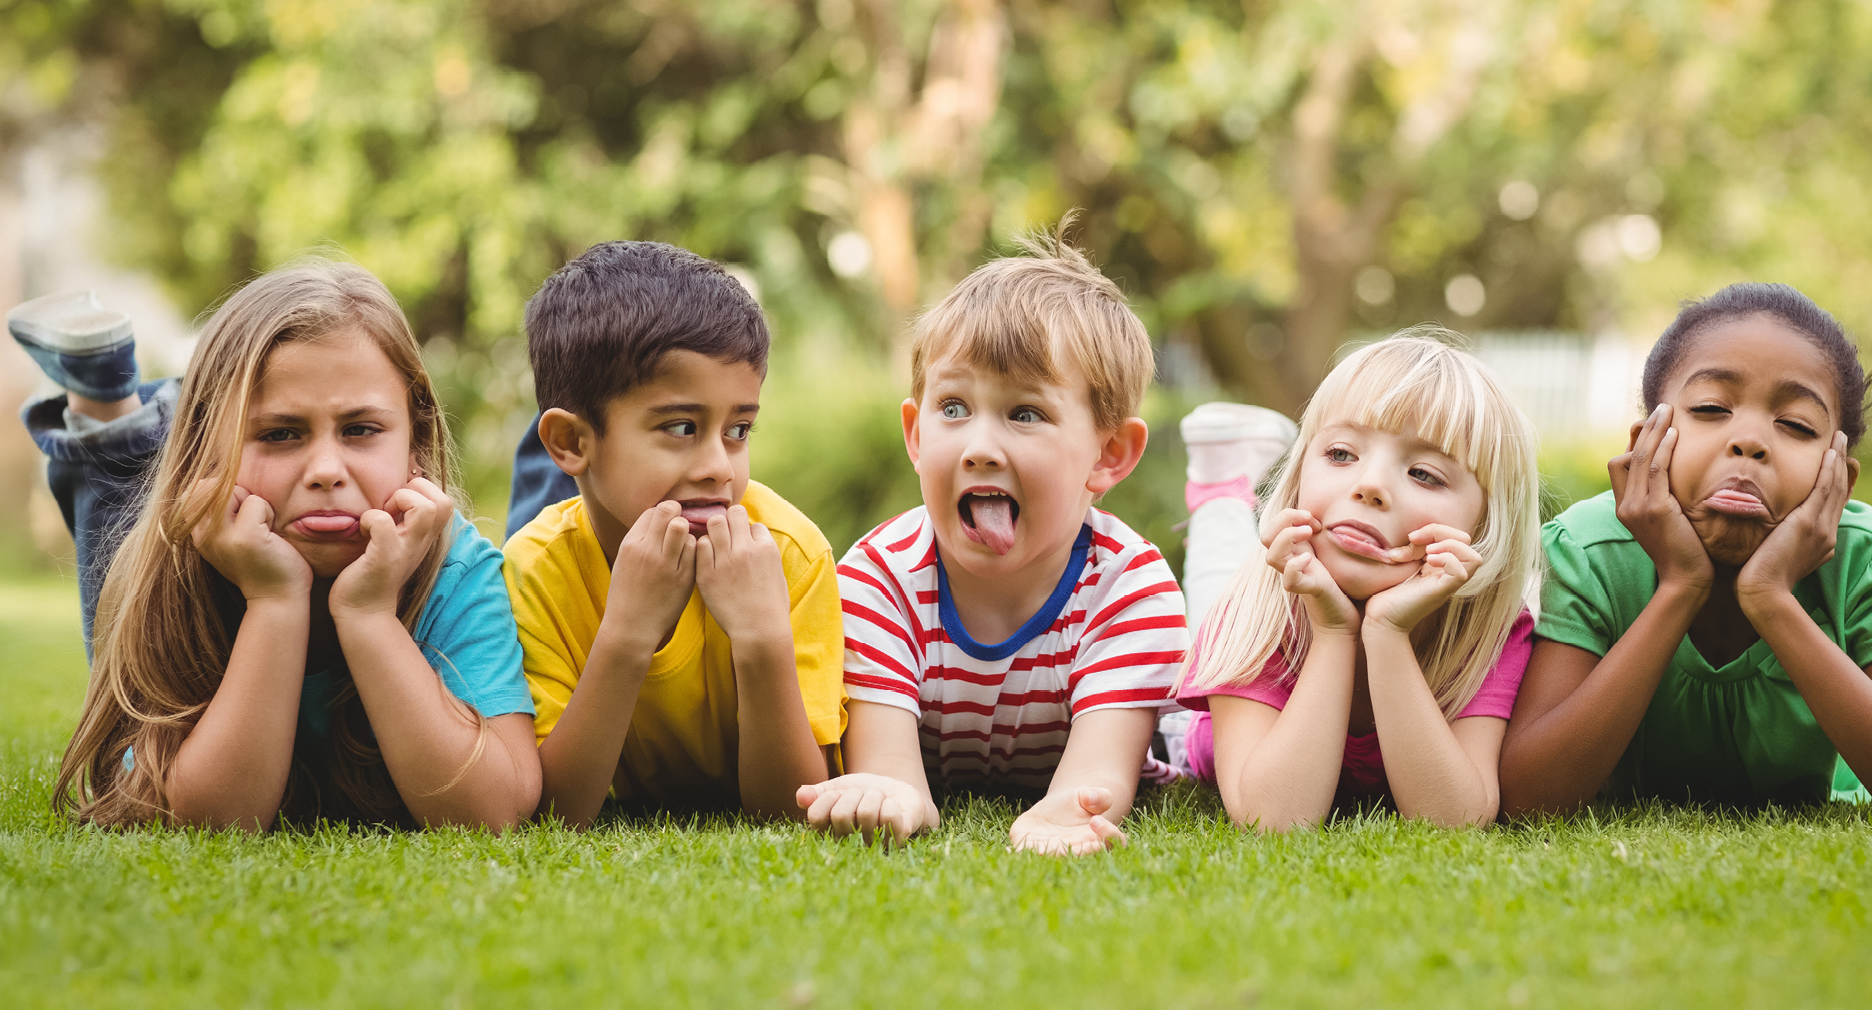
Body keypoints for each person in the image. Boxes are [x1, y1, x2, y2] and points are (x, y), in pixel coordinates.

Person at [32, 265, 541, 831]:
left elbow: (493, 815)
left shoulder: (456, 569)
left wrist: (368, 615)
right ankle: (106, 409)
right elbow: (206, 826)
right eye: (280, 433)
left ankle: (115, 411)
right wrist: (274, 602)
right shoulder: (169, 571)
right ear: (208, 448)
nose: (326, 471)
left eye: (361, 429)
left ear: (417, 442)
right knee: (119, 516)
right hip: (175, 542)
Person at [1498, 283, 1872, 816]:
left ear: (1839, 479)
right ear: (1644, 446)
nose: (1749, 440)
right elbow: (1529, 800)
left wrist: (1771, 597)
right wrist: (1681, 586)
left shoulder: (1865, 558)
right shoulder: (1591, 552)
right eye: (1710, 408)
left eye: (1795, 424)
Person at [799, 232, 1189, 854]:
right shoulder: (878, 578)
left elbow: (1096, 783)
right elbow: (892, 778)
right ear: (916, 434)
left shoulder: (1130, 589)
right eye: (953, 408)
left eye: (1024, 413)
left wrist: (1065, 815)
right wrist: (890, 795)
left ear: (1109, 453)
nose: (979, 446)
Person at [503, 241, 843, 825]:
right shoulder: (536, 569)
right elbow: (554, 816)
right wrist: (628, 632)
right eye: (682, 427)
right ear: (571, 442)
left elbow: (795, 810)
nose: (718, 465)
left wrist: (762, 639)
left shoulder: (789, 555)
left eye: (739, 429)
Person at [1173, 334, 1540, 829]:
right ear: (1302, 469)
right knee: (1218, 577)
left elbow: (1454, 821)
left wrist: (1387, 632)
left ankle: (1232, 486)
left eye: (1424, 474)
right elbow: (1275, 820)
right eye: (1342, 454)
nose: (1370, 486)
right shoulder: (1250, 611)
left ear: (1484, 526)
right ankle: (1222, 493)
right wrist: (1332, 631)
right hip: (1248, 620)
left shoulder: (1488, 632)